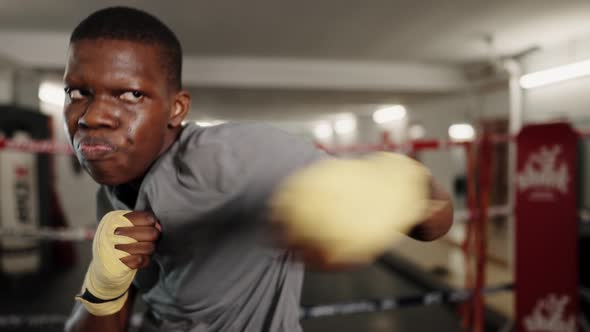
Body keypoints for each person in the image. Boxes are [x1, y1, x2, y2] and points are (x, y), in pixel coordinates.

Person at [64, 6, 453, 332]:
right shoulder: (110, 195)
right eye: (78, 92)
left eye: (131, 94)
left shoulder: (233, 156)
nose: (93, 116)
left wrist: (391, 185)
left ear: (176, 109)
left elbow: (437, 221)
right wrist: (104, 285)